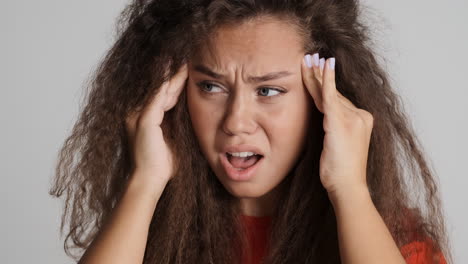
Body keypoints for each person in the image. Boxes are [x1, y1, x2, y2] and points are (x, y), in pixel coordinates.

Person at [49, 0, 453, 263]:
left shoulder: (392, 239)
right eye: (211, 87)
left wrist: (350, 190)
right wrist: (144, 183)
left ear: (323, 98)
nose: (236, 122)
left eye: (269, 90)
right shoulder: (146, 235)